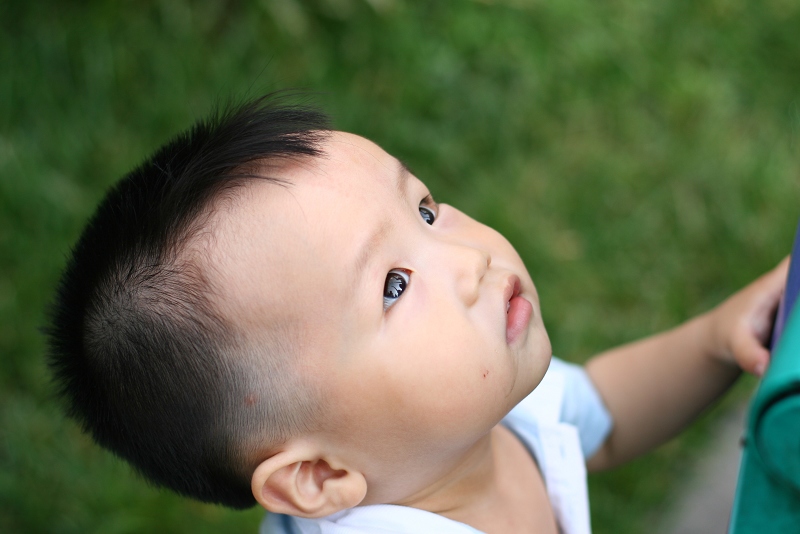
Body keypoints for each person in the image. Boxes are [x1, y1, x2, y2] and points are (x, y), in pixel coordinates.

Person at [46, 94, 788, 534]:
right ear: (319, 476)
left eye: (426, 210)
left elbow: (599, 414)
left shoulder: (455, 421)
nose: (469, 260)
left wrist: (716, 341)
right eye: (394, 286)